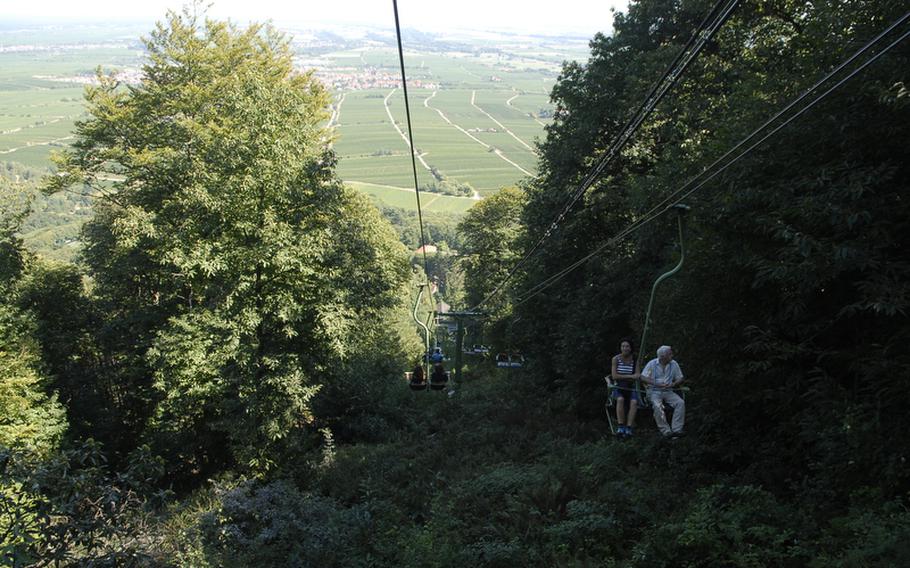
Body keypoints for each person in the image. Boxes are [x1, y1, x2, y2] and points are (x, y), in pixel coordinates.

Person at [640, 345, 686, 438]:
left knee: (680, 403)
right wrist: (656, 383)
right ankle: (666, 431)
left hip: (668, 391)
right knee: (657, 406)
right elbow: (643, 377)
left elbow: (681, 378)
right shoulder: (652, 364)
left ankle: (677, 430)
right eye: (670, 354)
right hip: (654, 391)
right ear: (662, 356)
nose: (672, 356)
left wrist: (673, 384)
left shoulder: (674, 364)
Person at [610, 338, 641, 438]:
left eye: (627, 346)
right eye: (623, 346)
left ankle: (629, 427)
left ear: (630, 348)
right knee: (620, 399)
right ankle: (620, 426)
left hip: (630, 386)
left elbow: (637, 374)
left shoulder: (635, 359)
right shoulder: (616, 359)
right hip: (619, 386)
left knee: (634, 402)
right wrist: (630, 377)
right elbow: (614, 376)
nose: (625, 348)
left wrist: (632, 377)